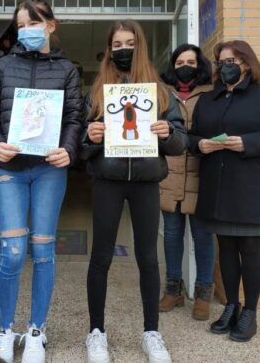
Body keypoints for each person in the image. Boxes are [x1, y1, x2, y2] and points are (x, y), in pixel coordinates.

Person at [0, 0, 82, 363]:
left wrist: (69, 149)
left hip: (50, 169)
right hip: (12, 169)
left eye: (33, 24)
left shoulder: (67, 70)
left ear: (50, 25)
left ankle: (36, 330)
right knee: (12, 252)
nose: (27, 31)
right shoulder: (3, 66)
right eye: (21, 25)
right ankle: (5, 331)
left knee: (43, 251)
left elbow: (75, 117)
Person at [81, 20, 188, 363]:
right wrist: (90, 137)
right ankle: (96, 332)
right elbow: (79, 144)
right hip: (108, 180)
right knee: (101, 256)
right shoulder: (98, 91)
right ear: (109, 50)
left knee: (147, 258)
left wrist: (168, 133)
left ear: (139, 47)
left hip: (145, 182)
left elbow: (180, 142)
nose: (123, 49)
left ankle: (151, 332)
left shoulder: (160, 91)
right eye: (117, 44)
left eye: (130, 43)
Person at [188, 40, 260, 342]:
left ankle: (250, 312)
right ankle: (231, 306)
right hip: (217, 187)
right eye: (221, 62)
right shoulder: (208, 100)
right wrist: (200, 144)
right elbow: (192, 137)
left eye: (231, 61)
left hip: (251, 188)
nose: (225, 66)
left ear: (247, 64)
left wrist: (247, 143)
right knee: (225, 248)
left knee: (249, 249)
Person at [158, 43, 215, 320]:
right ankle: (173, 289)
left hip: (202, 173)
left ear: (199, 65)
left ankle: (203, 293)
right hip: (170, 173)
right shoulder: (162, 93)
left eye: (191, 62)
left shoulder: (212, 93)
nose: (185, 67)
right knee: (171, 235)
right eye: (180, 62)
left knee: (203, 236)